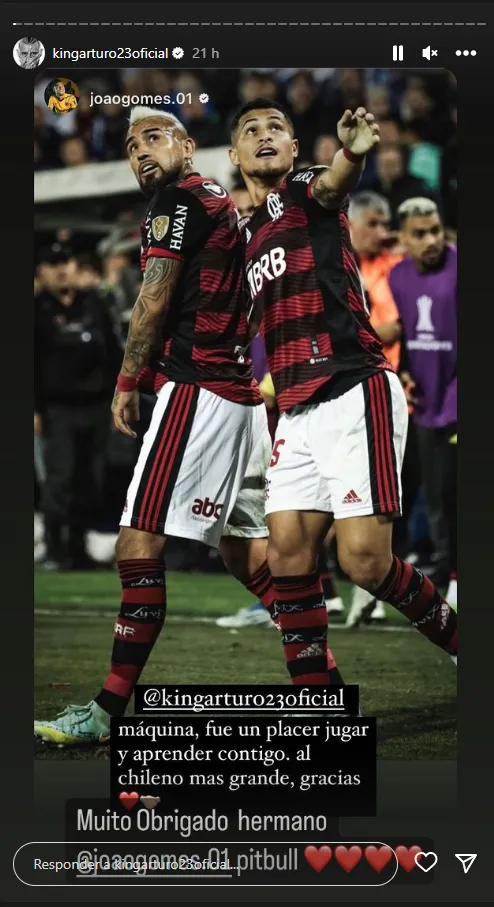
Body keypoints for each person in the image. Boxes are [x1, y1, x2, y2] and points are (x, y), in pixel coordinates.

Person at [34, 107, 343, 747]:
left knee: (136, 544)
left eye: (154, 137)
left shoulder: (177, 200)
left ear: (188, 145)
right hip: (239, 400)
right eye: (131, 146)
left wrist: (127, 381)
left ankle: (105, 713)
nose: (141, 152)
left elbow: (152, 298)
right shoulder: (215, 202)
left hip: (199, 393)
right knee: (248, 555)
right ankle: (324, 691)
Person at [228, 98, 457, 674]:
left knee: (365, 564)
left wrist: (352, 153)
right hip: (298, 410)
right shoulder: (246, 238)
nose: (264, 134)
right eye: (251, 129)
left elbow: (335, 184)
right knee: (287, 557)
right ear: (233, 153)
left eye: (275, 127)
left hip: (354, 388)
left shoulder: (304, 189)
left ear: (294, 149)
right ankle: (317, 695)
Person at [35, 244, 124, 569]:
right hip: (58, 407)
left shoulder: (94, 304)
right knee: (61, 478)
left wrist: (119, 397)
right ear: (41, 272)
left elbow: (114, 353)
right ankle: (55, 549)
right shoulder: (36, 310)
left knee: (92, 480)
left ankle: (78, 548)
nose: (62, 270)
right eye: (53, 264)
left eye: (67, 262)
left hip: (97, 405)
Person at [386, 198, 457, 601]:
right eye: (420, 234)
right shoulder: (399, 278)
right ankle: (446, 575)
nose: (431, 240)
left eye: (435, 231)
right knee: (435, 497)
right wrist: (406, 374)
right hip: (426, 403)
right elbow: (411, 338)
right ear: (403, 238)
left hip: (457, 400)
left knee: (453, 493)